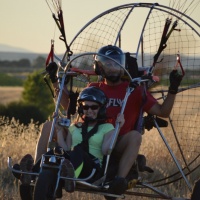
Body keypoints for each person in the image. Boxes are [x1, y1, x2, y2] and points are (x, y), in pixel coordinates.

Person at [32, 45, 183, 199]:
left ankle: (119, 181)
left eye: (117, 64)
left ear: (123, 67)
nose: (113, 68)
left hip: (115, 140)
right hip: (86, 138)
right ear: (99, 67)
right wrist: (55, 82)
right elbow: (68, 106)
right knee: (49, 126)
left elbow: (163, 112)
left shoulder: (134, 90)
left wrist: (173, 88)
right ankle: (37, 171)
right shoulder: (93, 87)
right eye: (108, 64)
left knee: (135, 137)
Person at [12, 86, 124, 199]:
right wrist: (59, 130)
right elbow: (66, 148)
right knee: (53, 153)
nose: (89, 110)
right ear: (81, 108)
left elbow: (105, 150)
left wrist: (118, 128)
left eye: (94, 107)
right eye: (86, 107)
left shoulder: (107, 128)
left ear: (101, 108)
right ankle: (29, 173)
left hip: (91, 169)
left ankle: (71, 177)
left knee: (77, 150)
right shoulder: (75, 127)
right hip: (71, 163)